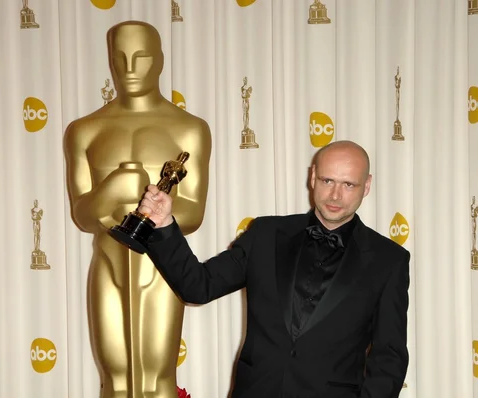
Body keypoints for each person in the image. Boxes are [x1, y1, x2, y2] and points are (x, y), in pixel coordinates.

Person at [138, 140, 410, 398]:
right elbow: (198, 286)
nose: (335, 195)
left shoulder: (388, 260)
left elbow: (390, 356)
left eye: (349, 184)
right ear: (313, 176)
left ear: (367, 186)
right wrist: (163, 226)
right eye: (328, 180)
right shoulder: (266, 234)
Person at [63, 20, 211, 398]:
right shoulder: (85, 130)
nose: (129, 70)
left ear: (160, 61)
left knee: (157, 376)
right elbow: (82, 215)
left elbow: (193, 213)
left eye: (141, 58)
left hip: (163, 266)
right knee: (114, 377)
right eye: (120, 59)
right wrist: (113, 188)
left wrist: (160, 210)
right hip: (109, 262)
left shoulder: (188, 128)